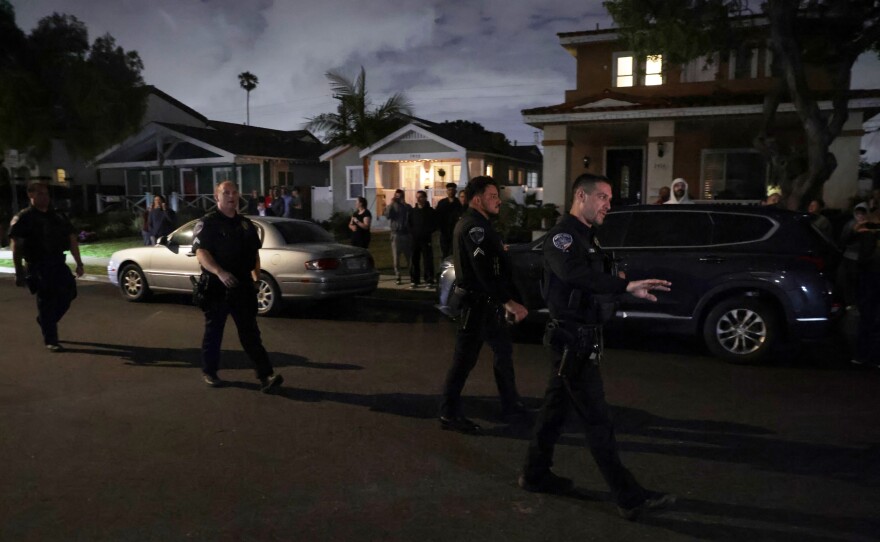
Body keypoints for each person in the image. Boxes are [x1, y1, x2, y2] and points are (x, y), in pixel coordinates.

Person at [519, 173, 676, 521]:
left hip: (581, 338)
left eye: (609, 198)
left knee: (554, 412)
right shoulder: (563, 237)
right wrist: (624, 286)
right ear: (581, 195)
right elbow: (575, 275)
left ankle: (534, 474)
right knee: (598, 421)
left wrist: (619, 283)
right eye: (603, 197)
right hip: (571, 341)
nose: (608, 204)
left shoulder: (587, 237)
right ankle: (629, 498)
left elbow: (594, 278)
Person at [439, 176, 529, 434]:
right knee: (464, 361)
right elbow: (482, 271)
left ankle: (511, 405)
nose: (498, 201)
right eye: (492, 196)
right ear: (478, 200)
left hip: (486, 305)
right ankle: (448, 413)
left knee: (503, 352)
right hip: (476, 305)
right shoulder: (473, 227)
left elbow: (491, 261)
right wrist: (508, 302)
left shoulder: (481, 224)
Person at [192, 180, 284, 392]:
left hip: (242, 286)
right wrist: (220, 272)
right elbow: (201, 253)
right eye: (226, 193)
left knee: (250, 333)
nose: (231, 196)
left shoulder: (245, 224)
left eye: (234, 192)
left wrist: (256, 279)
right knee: (214, 332)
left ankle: (266, 375)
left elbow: (254, 254)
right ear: (217, 197)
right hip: (217, 286)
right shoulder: (208, 223)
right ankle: (210, 371)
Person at [9, 181, 84, 352]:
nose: (45, 197)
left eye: (47, 194)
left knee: (70, 293)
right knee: (46, 301)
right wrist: (19, 272)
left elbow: (72, 239)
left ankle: (45, 321)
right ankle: (51, 340)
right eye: (40, 194)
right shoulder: (24, 218)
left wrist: (79, 263)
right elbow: (16, 246)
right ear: (31, 195)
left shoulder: (57, 215)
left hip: (58, 262)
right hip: (38, 265)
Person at [851, 210, 880, 367]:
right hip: (869, 280)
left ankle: (866, 355)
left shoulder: (870, 237)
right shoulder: (867, 236)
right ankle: (867, 355)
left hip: (869, 280)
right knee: (869, 319)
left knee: (869, 319)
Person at [838, 203, 870, 309]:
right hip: (848, 257)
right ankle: (849, 303)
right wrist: (854, 231)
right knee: (846, 281)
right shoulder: (850, 224)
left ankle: (856, 303)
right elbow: (843, 240)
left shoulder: (869, 226)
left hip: (862, 259)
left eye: (863, 213)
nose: (860, 215)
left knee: (858, 282)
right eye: (858, 213)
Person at [408, 190, 437, 288]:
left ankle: (429, 279)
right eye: (417, 197)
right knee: (414, 260)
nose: (418, 199)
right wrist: (413, 232)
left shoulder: (430, 211)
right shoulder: (413, 211)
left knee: (427, 260)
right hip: (415, 240)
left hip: (426, 240)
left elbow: (435, 224)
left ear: (425, 198)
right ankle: (415, 280)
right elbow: (409, 224)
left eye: (420, 197)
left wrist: (428, 231)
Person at [384, 189, 413, 285]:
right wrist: (391, 203)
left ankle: (412, 274)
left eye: (400, 196)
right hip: (396, 234)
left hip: (406, 234)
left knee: (409, 257)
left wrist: (404, 204)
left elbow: (411, 217)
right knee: (396, 258)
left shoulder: (407, 206)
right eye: (397, 196)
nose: (398, 198)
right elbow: (387, 215)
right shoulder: (393, 206)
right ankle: (398, 276)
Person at [435, 182, 463, 259]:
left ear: (455, 191)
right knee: (445, 252)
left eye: (452, 190)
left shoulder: (458, 203)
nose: (451, 191)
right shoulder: (442, 203)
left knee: (455, 252)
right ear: (447, 191)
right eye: (449, 190)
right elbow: (437, 215)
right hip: (444, 232)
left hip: (455, 231)